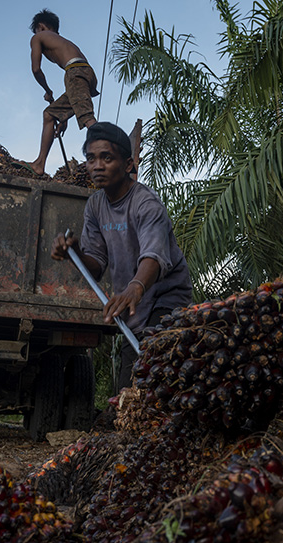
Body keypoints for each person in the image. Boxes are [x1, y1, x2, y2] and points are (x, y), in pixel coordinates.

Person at [51, 122, 193, 392]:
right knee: (126, 393)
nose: (97, 166)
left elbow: (154, 256)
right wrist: (75, 253)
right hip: (134, 308)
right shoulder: (94, 206)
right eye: (91, 158)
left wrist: (135, 287)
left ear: (128, 164)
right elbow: (95, 266)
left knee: (155, 379)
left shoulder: (146, 204)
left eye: (107, 157)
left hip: (166, 301)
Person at [22, 9, 99, 176]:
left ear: (41, 27)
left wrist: (47, 90)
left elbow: (36, 69)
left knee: (87, 117)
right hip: (86, 73)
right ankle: (39, 164)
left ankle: (112, 149)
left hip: (74, 71)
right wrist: (64, 116)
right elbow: (77, 92)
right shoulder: (64, 41)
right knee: (49, 115)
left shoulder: (38, 37)